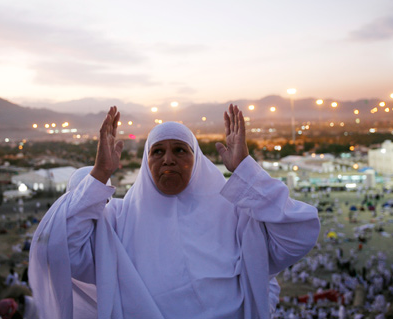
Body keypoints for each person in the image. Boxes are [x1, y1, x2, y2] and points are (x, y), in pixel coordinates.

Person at [30, 105, 320, 319]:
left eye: (180, 150)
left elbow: (299, 234)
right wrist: (99, 175)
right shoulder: (118, 222)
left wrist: (245, 169)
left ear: (197, 159)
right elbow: (58, 249)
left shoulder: (235, 215)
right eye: (157, 152)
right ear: (146, 162)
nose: (168, 159)